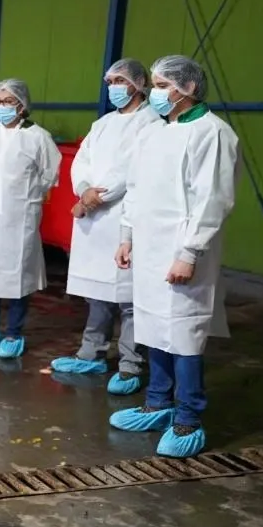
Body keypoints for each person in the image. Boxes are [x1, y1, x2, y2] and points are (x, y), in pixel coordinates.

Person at [111, 55, 240, 458]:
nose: (156, 93)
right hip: (149, 248)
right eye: (154, 85)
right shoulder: (154, 132)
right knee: (153, 326)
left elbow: (213, 199)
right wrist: (127, 235)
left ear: (189, 88)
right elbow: (136, 188)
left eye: (164, 85)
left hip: (184, 251)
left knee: (183, 332)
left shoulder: (213, 133)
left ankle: (188, 417)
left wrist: (189, 251)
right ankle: (157, 402)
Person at [50, 59, 159, 394]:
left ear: (138, 84)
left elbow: (131, 170)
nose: (113, 87)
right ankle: (91, 353)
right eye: (110, 81)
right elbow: (81, 161)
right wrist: (84, 190)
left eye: (120, 81)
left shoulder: (151, 123)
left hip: (124, 217)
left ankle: (130, 364)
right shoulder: (103, 124)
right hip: (94, 221)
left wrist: (97, 197)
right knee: (96, 293)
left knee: (129, 299)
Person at [0, 78, 59, 359]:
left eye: (9, 101)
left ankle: (14, 332)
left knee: (19, 274)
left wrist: (30, 195)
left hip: (21, 216)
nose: (3, 106)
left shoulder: (38, 137)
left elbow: (50, 174)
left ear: (22, 105)